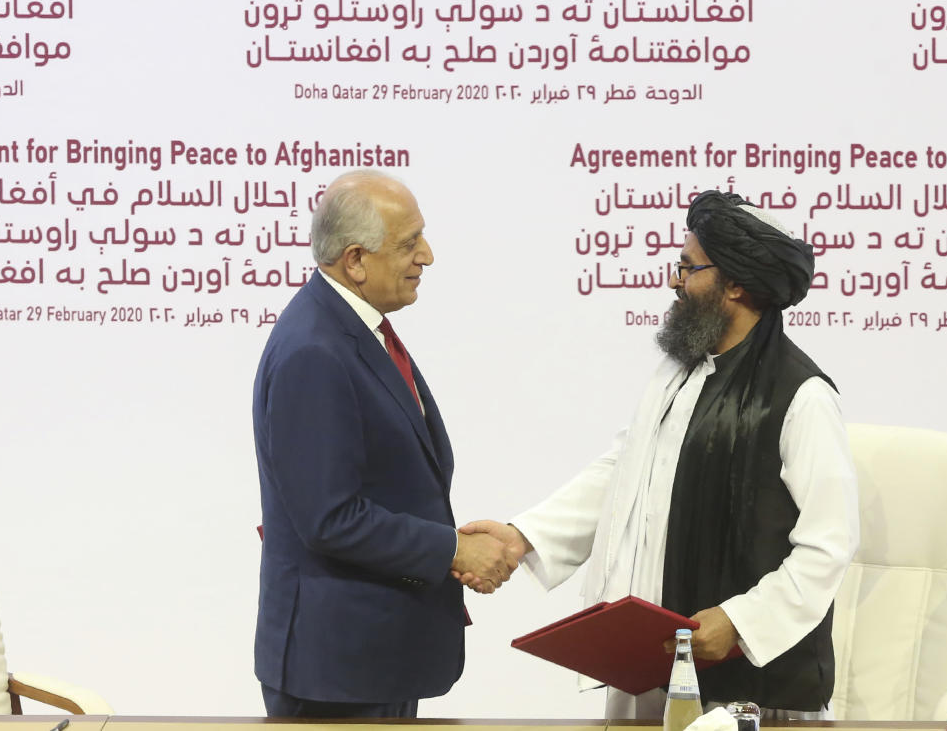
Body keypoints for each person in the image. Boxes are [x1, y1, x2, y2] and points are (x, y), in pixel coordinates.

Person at [461, 191, 860, 719]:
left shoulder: (802, 396)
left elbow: (828, 545)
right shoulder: (679, 373)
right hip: (653, 672)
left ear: (736, 283)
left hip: (754, 697)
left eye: (688, 267)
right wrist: (523, 536)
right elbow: (622, 473)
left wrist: (741, 623)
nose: (675, 280)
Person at [252, 170, 516, 719]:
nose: (427, 256)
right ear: (355, 260)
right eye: (408, 243)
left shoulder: (351, 329)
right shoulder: (315, 352)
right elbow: (329, 518)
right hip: (337, 673)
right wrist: (452, 549)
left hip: (373, 657)